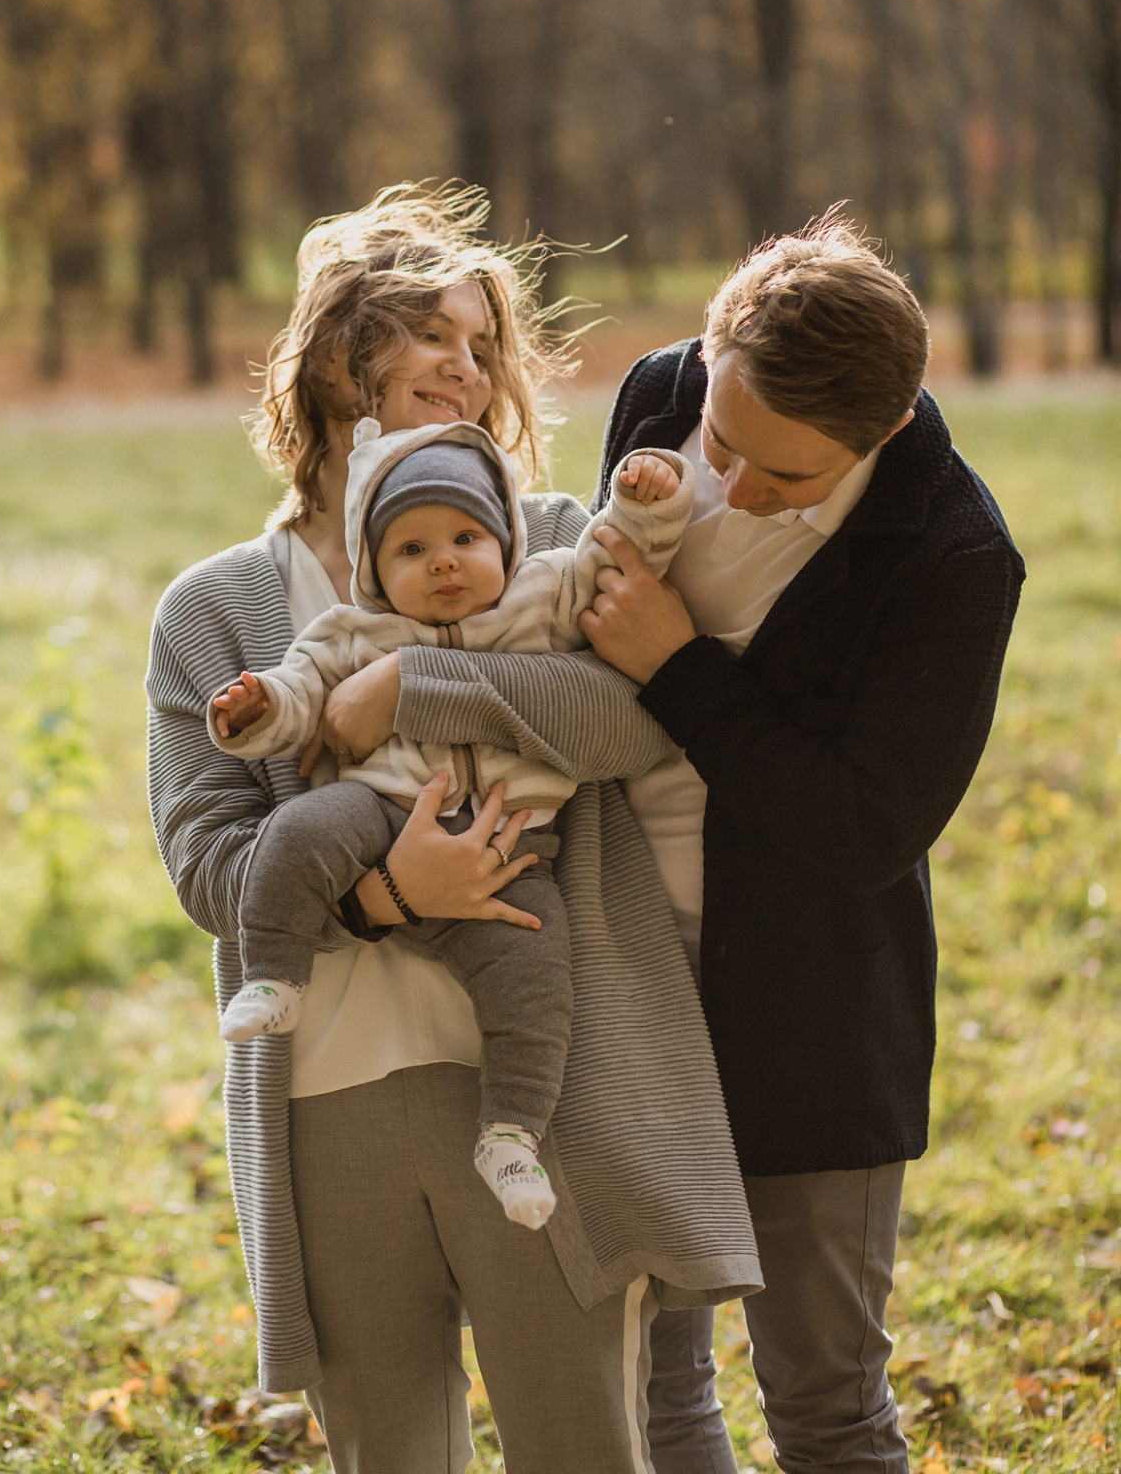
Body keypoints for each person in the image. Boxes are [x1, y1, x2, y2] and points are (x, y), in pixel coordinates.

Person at [145, 185, 761, 1474]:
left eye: (486, 349)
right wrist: (383, 894)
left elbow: (629, 725)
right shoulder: (212, 611)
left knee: (586, 1444)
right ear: (335, 353)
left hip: (538, 1086)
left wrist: (410, 686)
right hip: (327, 1095)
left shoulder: (536, 549)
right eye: (437, 334)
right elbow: (206, 859)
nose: (469, 370)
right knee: (388, 1455)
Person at [573, 215, 1025, 1474]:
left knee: (824, 1408)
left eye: (786, 478)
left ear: (880, 431)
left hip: (813, 1021)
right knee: (645, 1392)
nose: (732, 485)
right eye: (723, 442)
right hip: (624, 986)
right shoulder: (662, 394)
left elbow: (859, 832)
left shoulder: (949, 557)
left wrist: (674, 666)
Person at [205, 414, 691, 1230]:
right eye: (410, 550)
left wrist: (645, 507)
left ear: (505, 540)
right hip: (377, 812)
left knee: (538, 979)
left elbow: (619, 557)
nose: (444, 562)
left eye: (467, 536)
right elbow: (298, 698)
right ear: (374, 572)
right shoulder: (349, 633)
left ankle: (510, 1135)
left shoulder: (546, 595)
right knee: (296, 836)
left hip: (513, 850)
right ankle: (276, 975)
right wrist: (255, 713)